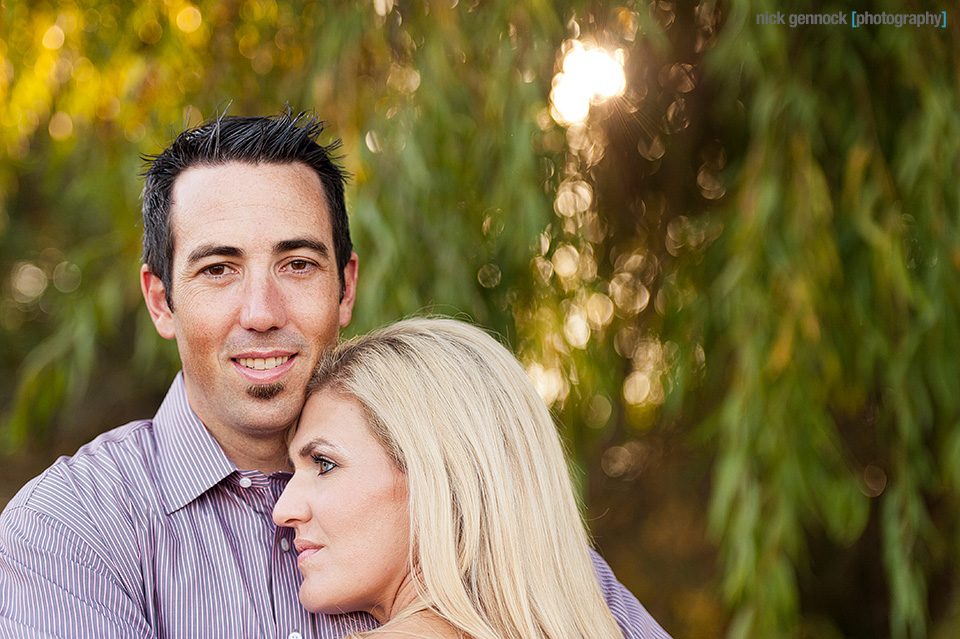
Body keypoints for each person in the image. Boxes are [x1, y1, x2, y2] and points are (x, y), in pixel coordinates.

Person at [0, 111, 670, 639]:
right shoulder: (72, 528)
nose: (261, 312)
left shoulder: (471, 511)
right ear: (159, 300)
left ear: (345, 287)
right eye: (217, 269)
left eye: (297, 264)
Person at [275, 317, 657, 639]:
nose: (283, 510)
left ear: (438, 477)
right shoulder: (601, 614)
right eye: (295, 472)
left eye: (324, 463)